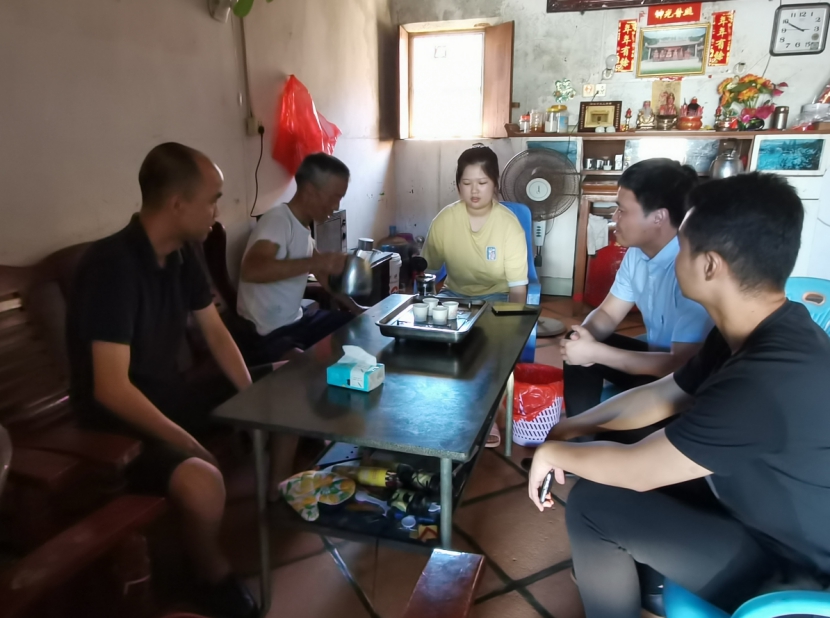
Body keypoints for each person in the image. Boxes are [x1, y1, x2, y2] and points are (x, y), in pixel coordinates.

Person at [528, 173, 830, 618]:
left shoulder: (765, 379)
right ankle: (642, 576)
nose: (674, 256)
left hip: (792, 567)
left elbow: (639, 470)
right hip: (748, 508)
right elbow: (665, 395)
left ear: (710, 266)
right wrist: (574, 426)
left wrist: (553, 452)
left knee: (593, 507)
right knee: (602, 477)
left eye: (682, 246)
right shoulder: (759, 329)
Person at [67, 143, 264, 618]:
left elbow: (215, 332)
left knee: (280, 384)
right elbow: (110, 388)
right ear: (177, 204)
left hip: (168, 394)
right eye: (212, 200)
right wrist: (188, 443)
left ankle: (273, 500)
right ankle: (209, 575)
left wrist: (254, 400)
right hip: (120, 424)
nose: (217, 212)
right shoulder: (112, 267)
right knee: (202, 481)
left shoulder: (182, 252)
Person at [558, 158, 712, 443]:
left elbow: (681, 366)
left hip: (688, 384)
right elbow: (608, 314)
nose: (614, 217)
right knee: (578, 345)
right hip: (654, 362)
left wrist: (596, 353)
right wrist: (584, 337)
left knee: (633, 429)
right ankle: (580, 441)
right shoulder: (638, 253)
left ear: (658, 217)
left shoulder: (692, 266)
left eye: (622, 210)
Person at [236, 153, 362, 366]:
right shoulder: (278, 220)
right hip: (268, 335)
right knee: (306, 368)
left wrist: (356, 308)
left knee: (356, 327)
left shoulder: (302, 227)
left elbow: (322, 274)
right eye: (335, 197)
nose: (336, 206)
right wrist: (318, 262)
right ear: (310, 192)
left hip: (298, 321)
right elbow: (252, 269)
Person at [420, 145, 528, 303]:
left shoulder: (510, 225)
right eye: (466, 183)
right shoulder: (444, 220)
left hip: (496, 296)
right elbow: (428, 272)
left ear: (495, 184)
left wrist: (513, 317)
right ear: (458, 185)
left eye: (482, 183)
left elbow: (517, 288)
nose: (474, 190)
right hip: (453, 295)